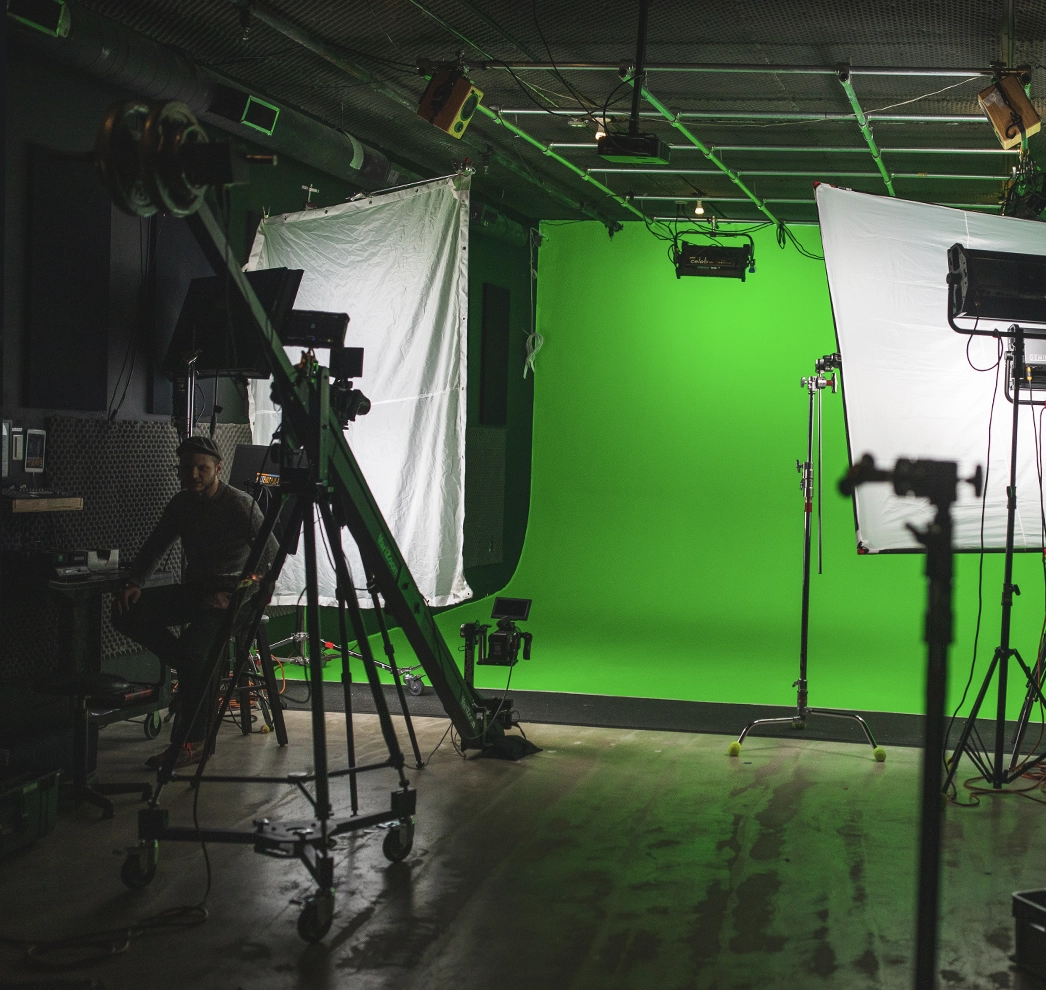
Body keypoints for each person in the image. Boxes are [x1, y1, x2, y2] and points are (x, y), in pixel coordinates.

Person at [113, 435, 278, 768]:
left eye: (201, 468)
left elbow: (271, 559)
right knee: (126, 613)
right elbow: (156, 545)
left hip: (236, 598)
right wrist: (134, 582)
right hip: (199, 592)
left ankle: (193, 743)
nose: (193, 474)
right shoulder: (181, 503)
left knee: (194, 653)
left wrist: (237, 595)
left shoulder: (239, 504)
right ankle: (196, 667)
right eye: (187, 468)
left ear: (218, 468)